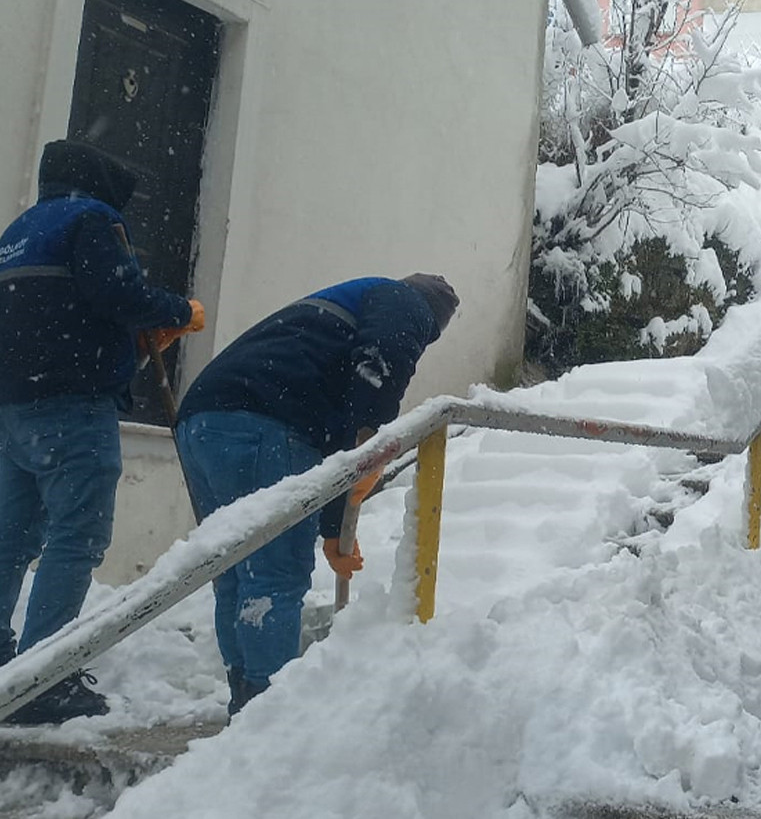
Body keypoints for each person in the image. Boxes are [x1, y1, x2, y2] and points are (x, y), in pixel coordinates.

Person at [174, 274, 457, 714]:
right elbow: (380, 362)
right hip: (264, 419)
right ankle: (269, 716)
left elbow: (332, 448)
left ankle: (245, 703)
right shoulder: (405, 301)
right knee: (273, 575)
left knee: (234, 571)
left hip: (203, 421)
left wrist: (332, 530)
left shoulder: (345, 312)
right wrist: (371, 446)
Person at [0, 140, 204, 723]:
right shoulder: (91, 218)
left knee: (12, 538)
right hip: (71, 403)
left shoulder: (19, 229)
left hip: (13, 406)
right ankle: (42, 679)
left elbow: (55, 303)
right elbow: (119, 293)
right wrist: (177, 310)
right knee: (77, 534)